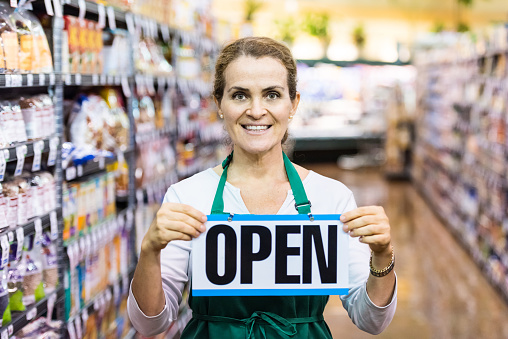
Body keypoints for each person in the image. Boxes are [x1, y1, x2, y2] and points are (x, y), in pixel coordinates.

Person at [128, 37, 397, 338]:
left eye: (271, 95)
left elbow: (371, 320)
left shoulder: (332, 198)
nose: (256, 111)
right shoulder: (187, 197)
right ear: (219, 104)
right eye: (240, 95)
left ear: (293, 104)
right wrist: (150, 251)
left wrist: (382, 255)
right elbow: (149, 324)